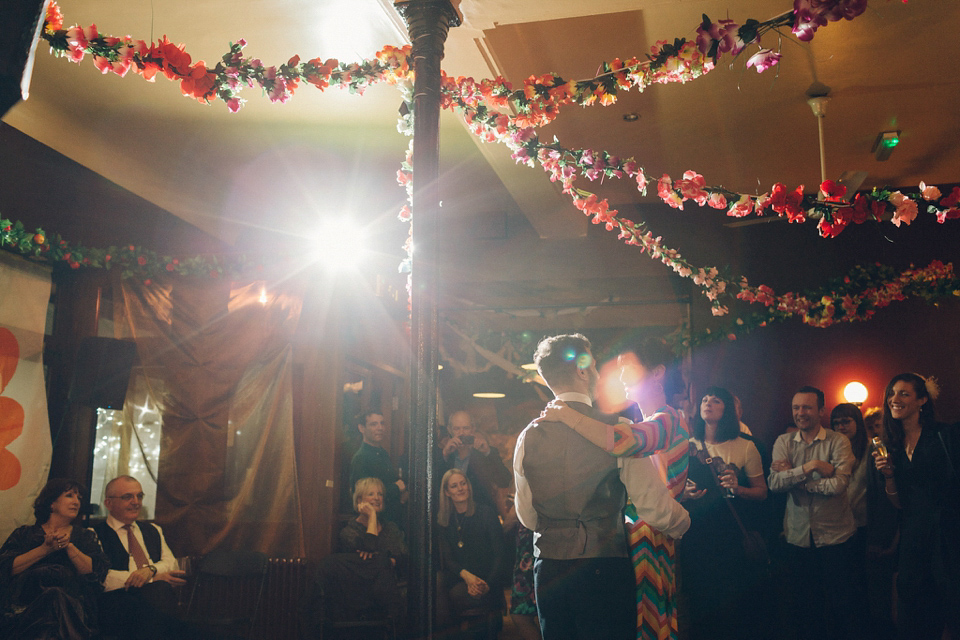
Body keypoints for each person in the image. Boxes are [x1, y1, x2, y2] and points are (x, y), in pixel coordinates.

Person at [515, 334, 689, 640]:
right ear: (582, 372)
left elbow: (528, 516)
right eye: (593, 365)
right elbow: (653, 506)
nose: (598, 373)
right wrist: (685, 521)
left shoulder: (527, 436)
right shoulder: (616, 429)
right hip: (603, 566)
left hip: (549, 567)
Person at [873, 373, 960, 639]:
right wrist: (888, 475)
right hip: (913, 536)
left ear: (922, 400)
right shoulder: (892, 446)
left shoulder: (945, 435)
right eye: (892, 393)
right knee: (914, 610)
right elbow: (899, 503)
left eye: (904, 394)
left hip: (948, 534)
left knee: (951, 602)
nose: (894, 399)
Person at [768, 386, 859, 640]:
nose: (800, 413)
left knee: (842, 606)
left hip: (835, 536)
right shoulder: (783, 442)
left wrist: (797, 479)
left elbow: (839, 485)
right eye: (796, 407)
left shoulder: (838, 441)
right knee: (806, 607)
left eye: (807, 407)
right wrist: (813, 466)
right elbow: (774, 484)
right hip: (798, 537)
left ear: (821, 411)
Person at [680, 386, 768, 640]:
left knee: (732, 602)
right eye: (705, 399)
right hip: (696, 531)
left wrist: (738, 488)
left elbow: (761, 492)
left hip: (730, 534)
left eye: (716, 400)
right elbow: (670, 486)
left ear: (727, 409)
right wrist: (683, 493)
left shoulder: (745, 446)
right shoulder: (688, 444)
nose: (707, 403)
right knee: (699, 601)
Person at [0, 478, 109, 639]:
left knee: (56, 597)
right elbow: (6, 568)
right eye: (69, 495)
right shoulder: (24, 534)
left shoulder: (85, 536)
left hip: (73, 607)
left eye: (79, 498)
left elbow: (93, 572)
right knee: (52, 599)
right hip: (26, 608)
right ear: (52, 503)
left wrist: (69, 546)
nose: (76, 502)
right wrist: (45, 549)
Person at [91, 475, 188, 640]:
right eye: (127, 497)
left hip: (155, 602)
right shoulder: (94, 534)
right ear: (109, 503)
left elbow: (170, 563)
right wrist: (152, 579)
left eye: (139, 496)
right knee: (160, 593)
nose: (136, 502)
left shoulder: (153, 530)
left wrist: (150, 571)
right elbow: (103, 577)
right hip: (117, 604)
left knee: (160, 596)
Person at [437, 469, 506, 636]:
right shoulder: (444, 520)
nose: (460, 488)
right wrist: (467, 577)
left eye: (463, 483)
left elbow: (500, 555)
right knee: (441, 588)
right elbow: (448, 559)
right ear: (447, 492)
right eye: (454, 486)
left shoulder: (486, 513)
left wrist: (486, 583)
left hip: (487, 577)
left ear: (469, 486)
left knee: (461, 598)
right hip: (461, 577)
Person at [440, 410, 512, 513]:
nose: (461, 433)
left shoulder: (484, 452)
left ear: (473, 429)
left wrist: (487, 452)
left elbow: (505, 481)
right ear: (449, 430)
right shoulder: (445, 454)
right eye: (457, 429)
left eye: (466, 428)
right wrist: (445, 454)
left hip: (481, 515)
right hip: (450, 515)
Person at [349, 411, 406, 524]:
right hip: (373, 522)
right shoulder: (361, 458)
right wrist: (396, 488)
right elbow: (362, 496)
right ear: (361, 428)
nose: (380, 428)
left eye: (382, 423)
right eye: (373, 424)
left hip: (389, 521)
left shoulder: (383, 453)